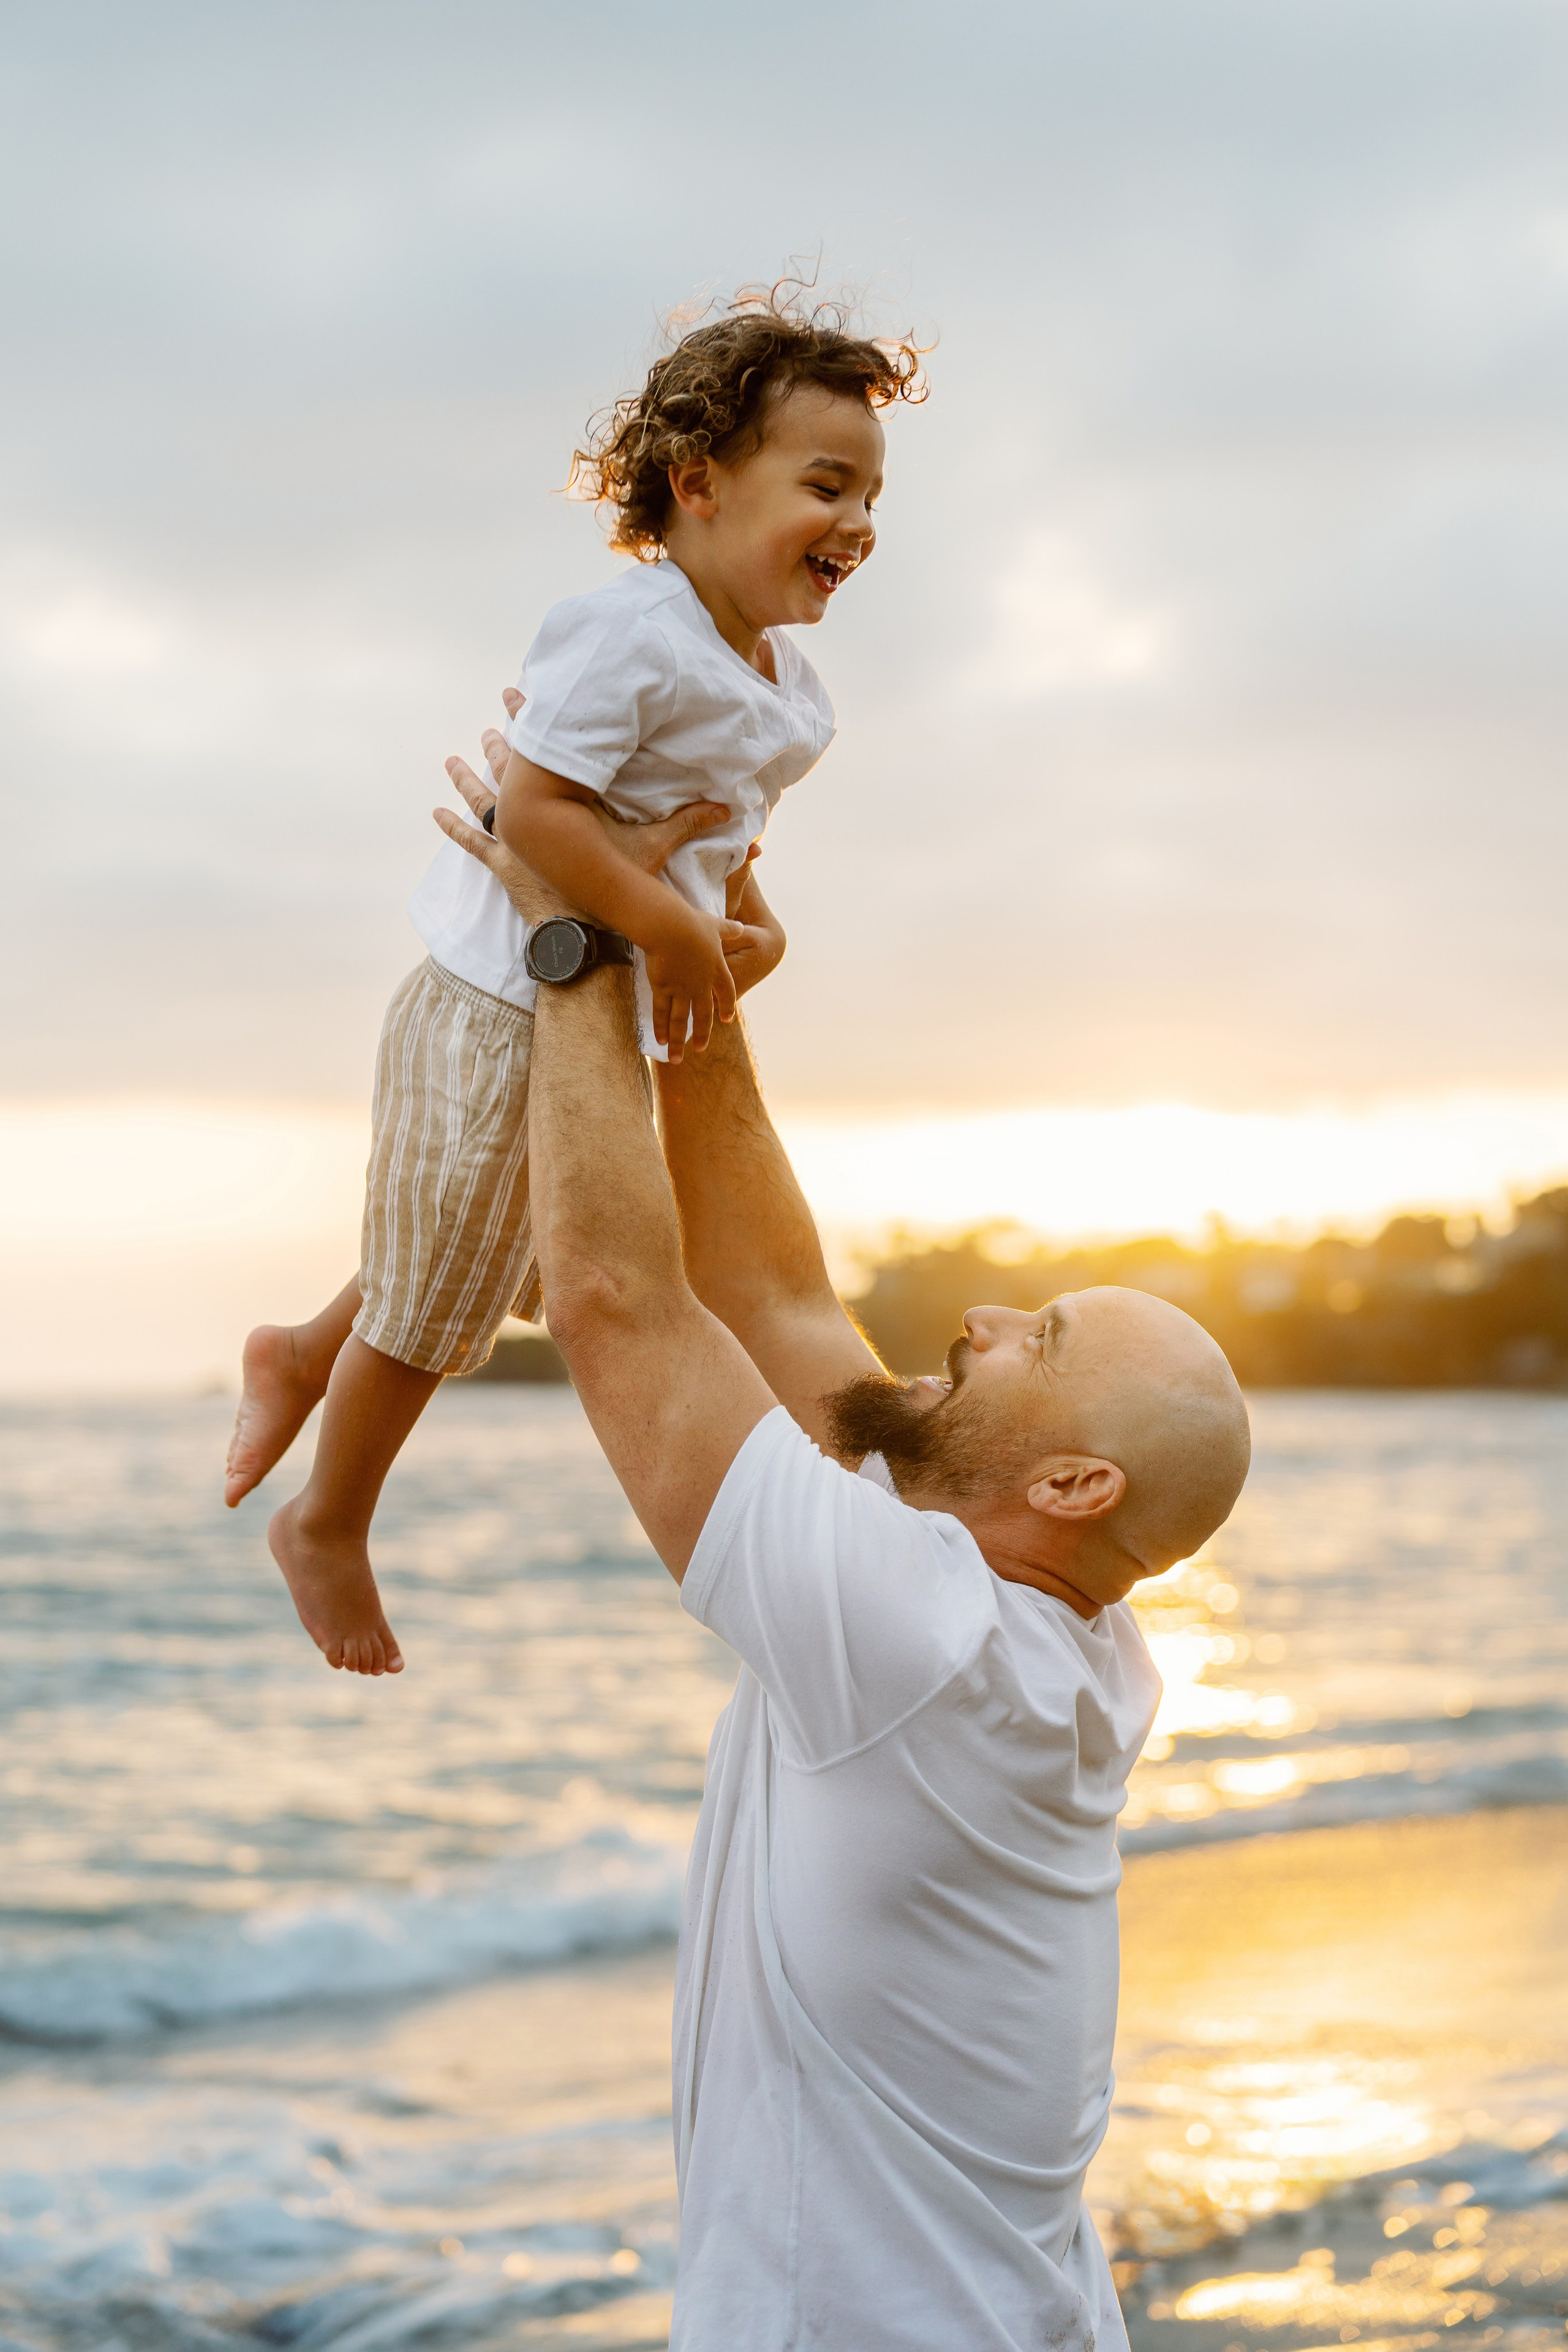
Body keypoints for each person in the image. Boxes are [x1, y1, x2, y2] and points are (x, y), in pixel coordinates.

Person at [431, 726, 1253, 2352]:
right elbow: (779, 1297)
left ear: (1072, 1486)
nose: (984, 1317)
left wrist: (577, 931)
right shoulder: (1056, 1635)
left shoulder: (926, 1643)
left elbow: (616, 1306)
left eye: (1037, 1338)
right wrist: (698, 981)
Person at [222, 286, 925, 1677]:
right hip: (495, 995)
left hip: (586, 1007)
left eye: (871, 496)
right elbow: (537, 815)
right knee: (444, 1286)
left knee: (475, 1246)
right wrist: (665, 931)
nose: (856, 522)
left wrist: (743, 928)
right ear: (698, 485)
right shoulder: (625, 634)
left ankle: (301, 1355)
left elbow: (722, 843)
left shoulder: (785, 687)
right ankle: (328, 1519)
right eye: (824, 485)